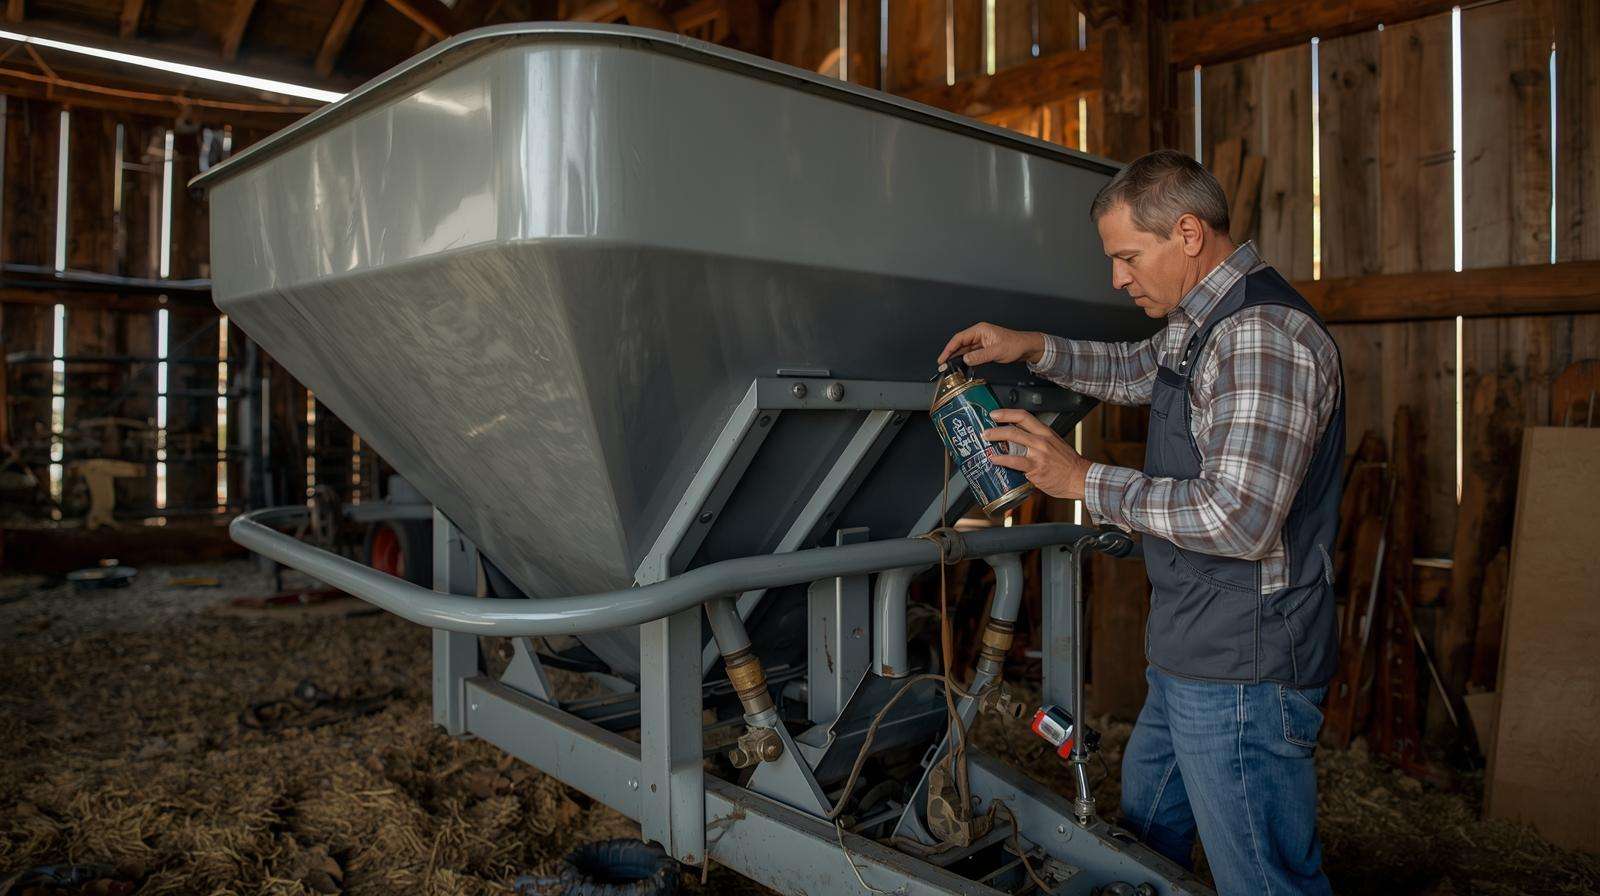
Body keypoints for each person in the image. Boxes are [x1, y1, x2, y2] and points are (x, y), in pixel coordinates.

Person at [939, 149, 1343, 895]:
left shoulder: (1260, 336)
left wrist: (1081, 478)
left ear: (1187, 233)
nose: (1116, 278)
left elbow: (1240, 518)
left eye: (1127, 257)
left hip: (1244, 669)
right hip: (1194, 649)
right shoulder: (1204, 321)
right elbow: (1136, 370)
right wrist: (1032, 348)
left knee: (1262, 878)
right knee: (1145, 844)